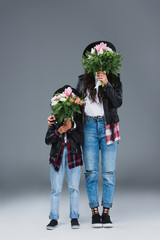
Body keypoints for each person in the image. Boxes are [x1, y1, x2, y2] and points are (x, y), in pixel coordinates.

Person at [48, 41, 122, 228]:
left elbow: (118, 102)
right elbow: (72, 104)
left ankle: (106, 212)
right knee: (90, 172)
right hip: (88, 126)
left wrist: (106, 84)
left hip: (107, 126)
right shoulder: (82, 81)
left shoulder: (114, 79)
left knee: (108, 173)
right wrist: (55, 119)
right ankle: (94, 212)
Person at [45, 85, 83, 230]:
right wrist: (59, 131)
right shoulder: (54, 119)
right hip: (57, 157)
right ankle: (53, 218)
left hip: (74, 157)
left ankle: (74, 217)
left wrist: (71, 129)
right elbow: (48, 140)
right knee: (56, 189)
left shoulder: (77, 120)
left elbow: (82, 140)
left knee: (74, 188)